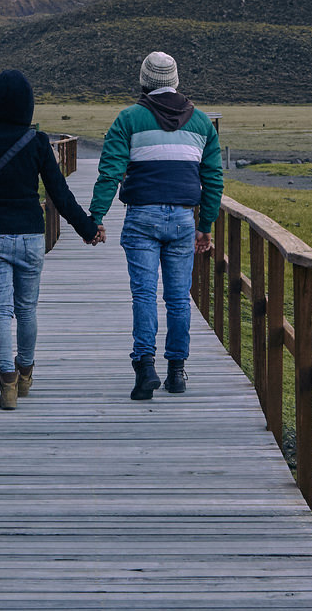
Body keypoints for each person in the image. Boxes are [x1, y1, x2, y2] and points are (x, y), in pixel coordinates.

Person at [0, 69, 101, 410]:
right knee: (26, 309)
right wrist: (88, 229)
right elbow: (59, 193)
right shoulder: (36, 141)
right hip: (31, 236)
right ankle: (26, 373)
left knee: (1, 311)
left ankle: (6, 383)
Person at [88, 51, 222, 401]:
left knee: (144, 294)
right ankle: (176, 373)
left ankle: (145, 368)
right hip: (181, 219)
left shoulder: (128, 119)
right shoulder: (202, 123)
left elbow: (110, 171)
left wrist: (97, 217)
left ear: (144, 81)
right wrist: (205, 225)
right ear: (175, 81)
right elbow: (213, 177)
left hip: (141, 216)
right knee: (179, 298)